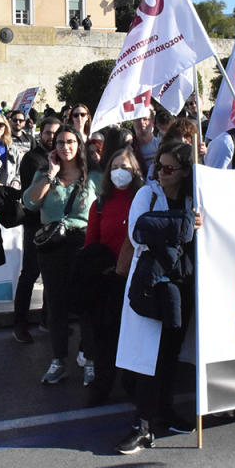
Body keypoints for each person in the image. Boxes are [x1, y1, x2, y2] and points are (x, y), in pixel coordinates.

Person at [116, 141, 201, 454]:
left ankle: (164, 411)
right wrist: (183, 226)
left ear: (183, 172)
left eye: (169, 168)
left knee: (170, 353)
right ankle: (142, 424)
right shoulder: (147, 195)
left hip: (182, 286)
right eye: (158, 167)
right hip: (152, 285)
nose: (162, 174)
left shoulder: (195, 199)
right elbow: (139, 234)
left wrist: (189, 229)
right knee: (146, 356)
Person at [23, 125, 95, 385]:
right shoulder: (44, 172)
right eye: (61, 142)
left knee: (87, 305)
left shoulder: (92, 176)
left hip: (83, 243)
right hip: (52, 245)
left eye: (71, 142)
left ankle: (90, 359)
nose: (66, 147)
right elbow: (30, 202)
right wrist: (51, 174)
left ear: (79, 144)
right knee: (56, 305)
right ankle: (58, 361)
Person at [82, 146, 144, 405]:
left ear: (136, 171)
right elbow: (90, 244)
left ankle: (133, 385)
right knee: (105, 339)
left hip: (138, 279)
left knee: (135, 338)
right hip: (109, 281)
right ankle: (102, 385)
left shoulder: (144, 199)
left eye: (126, 167)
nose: (120, 172)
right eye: (115, 167)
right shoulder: (100, 204)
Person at [13, 115, 61, 343]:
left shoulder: (64, 158)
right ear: (40, 134)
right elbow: (36, 195)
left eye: (56, 133)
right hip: (35, 225)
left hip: (57, 225)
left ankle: (47, 320)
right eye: (48, 133)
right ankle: (19, 324)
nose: (52, 137)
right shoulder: (33, 160)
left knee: (53, 276)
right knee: (30, 274)